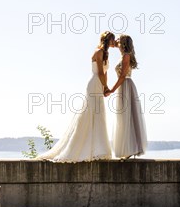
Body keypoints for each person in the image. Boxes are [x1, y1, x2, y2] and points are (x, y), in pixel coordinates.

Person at [37, 31, 114, 162]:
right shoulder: (99, 52)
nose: (114, 42)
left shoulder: (106, 53)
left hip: (99, 84)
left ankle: (97, 149)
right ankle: (82, 148)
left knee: (98, 115)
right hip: (94, 83)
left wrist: (105, 87)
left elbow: (105, 73)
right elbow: (100, 72)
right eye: (112, 40)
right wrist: (105, 87)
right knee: (90, 114)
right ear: (107, 40)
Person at [105, 34, 148, 159]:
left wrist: (111, 90)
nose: (116, 41)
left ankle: (131, 148)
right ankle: (129, 149)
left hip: (126, 86)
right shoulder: (124, 55)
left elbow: (122, 76)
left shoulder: (126, 56)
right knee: (125, 117)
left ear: (123, 43)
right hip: (123, 86)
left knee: (127, 117)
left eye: (118, 39)